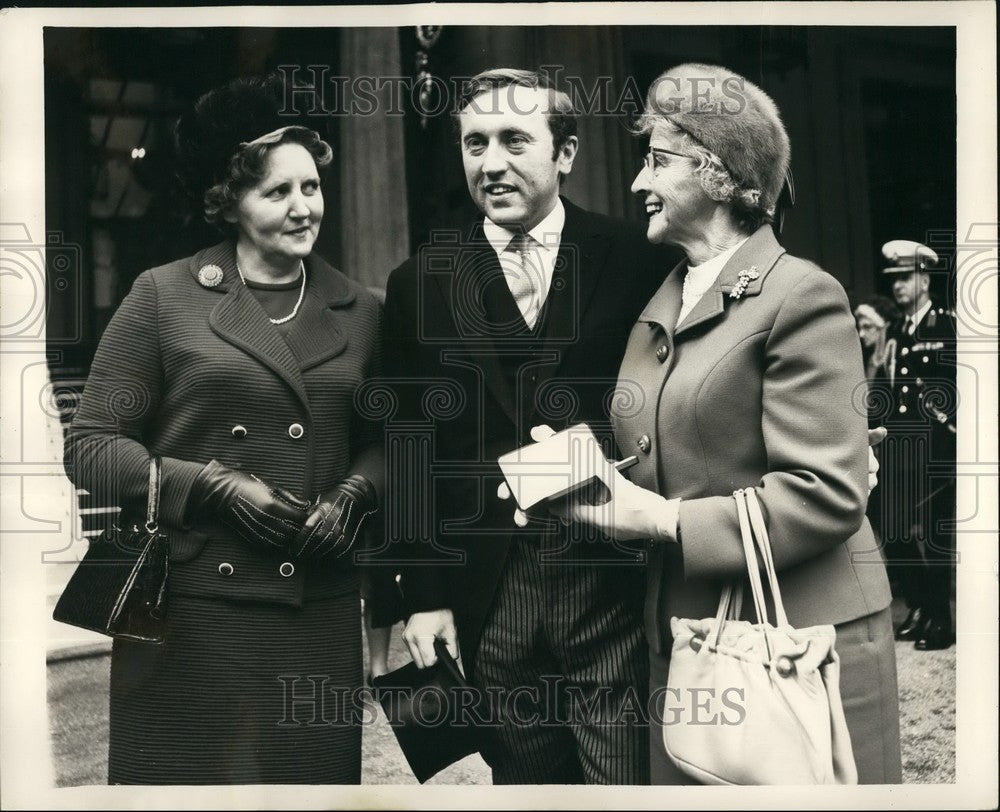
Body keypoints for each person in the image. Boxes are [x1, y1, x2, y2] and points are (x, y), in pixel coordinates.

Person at [553, 63, 902, 784]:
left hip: (801, 636)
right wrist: (575, 467)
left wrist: (660, 521)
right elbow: (670, 444)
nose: (637, 183)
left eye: (657, 160)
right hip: (685, 630)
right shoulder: (667, 296)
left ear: (717, 174)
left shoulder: (800, 294)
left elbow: (828, 493)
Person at [62, 75, 382, 784]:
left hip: (316, 609)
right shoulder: (162, 295)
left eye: (312, 187)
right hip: (188, 612)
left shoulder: (364, 308)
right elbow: (89, 446)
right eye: (278, 193)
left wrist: (357, 493)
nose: (305, 208)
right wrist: (211, 485)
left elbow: (395, 438)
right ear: (230, 201)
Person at [381, 68, 670, 784]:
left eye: (514, 140)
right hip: (489, 593)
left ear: (565, 154)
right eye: (474, 143)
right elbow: (407, 446)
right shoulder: (420, 282)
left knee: (626, 782)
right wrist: (423, 598)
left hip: (613, 581)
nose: (490, 162)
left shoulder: (639, 261)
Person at [879, 239, 957, 650]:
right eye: (893, 279)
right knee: (894, 531)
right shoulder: (894, 331)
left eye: (905, 278)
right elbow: (884, 390)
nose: (898, 286)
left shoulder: (947, 326)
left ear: (924, 280)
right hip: (898, 449)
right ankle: (921, 606)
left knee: (933, 535)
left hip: (937, 449)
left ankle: (940, 620)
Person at [854, 295, 900, 384]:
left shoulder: (894, 357)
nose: (861, 334)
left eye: (867, 327)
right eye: (860, 328)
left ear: (884, 327)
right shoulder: (865, 357)